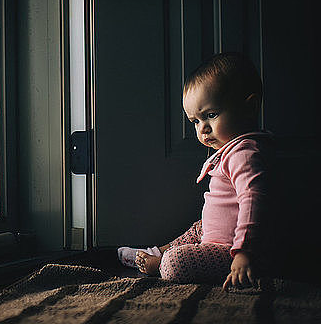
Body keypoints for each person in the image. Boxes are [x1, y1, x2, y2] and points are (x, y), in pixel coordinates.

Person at [117, 52, 274, 291]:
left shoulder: (245, 154)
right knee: (197, 228)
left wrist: (243, 252)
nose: (203, 129)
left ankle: (160, 263)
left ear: (249, 108)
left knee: (176, 263)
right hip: (216, 236)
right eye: (196, 121)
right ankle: (154, 252)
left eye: (211, 115)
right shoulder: (232, 149)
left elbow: (253, 201)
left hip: (234, 251)